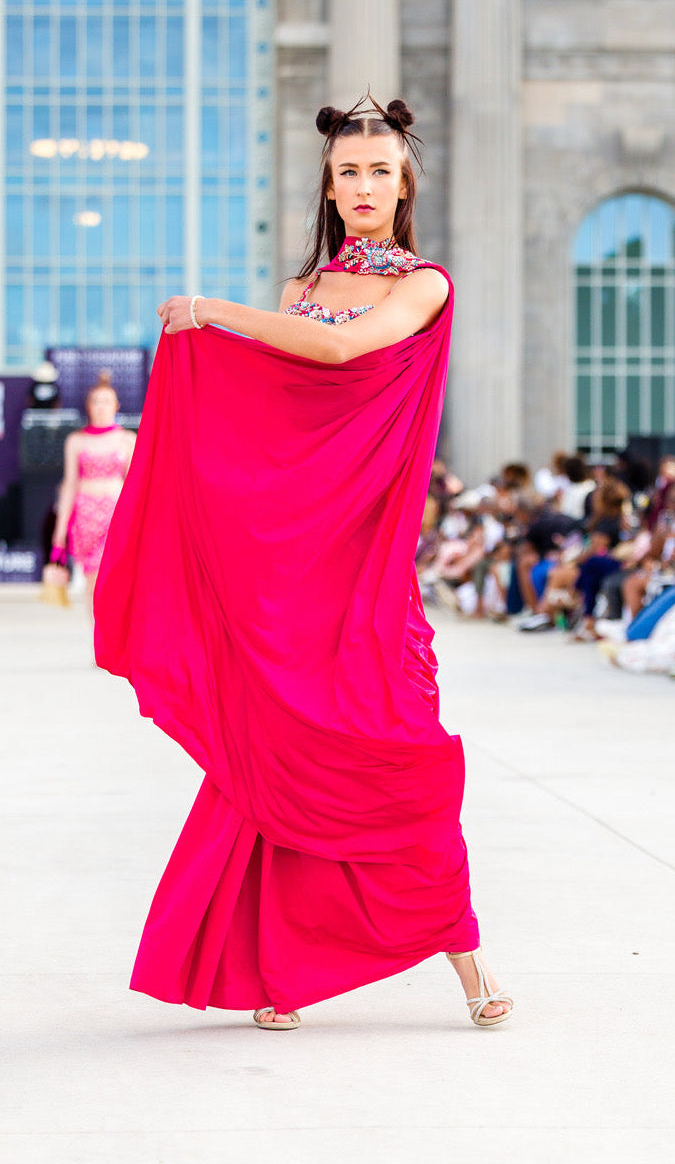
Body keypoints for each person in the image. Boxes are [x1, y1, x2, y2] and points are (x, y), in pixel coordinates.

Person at [94, 95, 513, 1031]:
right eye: (347, 172)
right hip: (288, 567)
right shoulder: (297, 288)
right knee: (272, 756)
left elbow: (339, 347)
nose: (363, 185)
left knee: (397, 753)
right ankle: (274, 974)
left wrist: (212, 312)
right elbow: (276, 416)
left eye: (379, 170)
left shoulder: (424, 285)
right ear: (328, 188)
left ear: (404, 185)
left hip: (363, 569)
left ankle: (468, 962)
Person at [51, 373, 134, 612]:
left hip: (116, 517)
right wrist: (60, 530)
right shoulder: (76, 441)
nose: (101, 407)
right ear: (88, 406)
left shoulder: (127, 440)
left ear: (116, 406)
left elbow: (134, 484)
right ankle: (99, 638)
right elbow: (70, 484)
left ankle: (115, 637)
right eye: (96, 401)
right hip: (86, 519)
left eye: (106, 401)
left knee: (116, 580)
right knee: (93, 582)